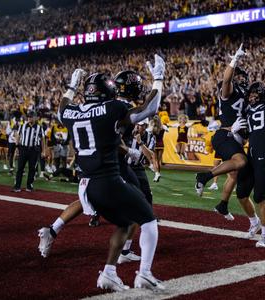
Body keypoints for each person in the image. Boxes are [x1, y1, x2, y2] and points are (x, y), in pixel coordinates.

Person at [41, 56, 166, 292]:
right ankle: (145, 274)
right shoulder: (113, 108)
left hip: (87, 184)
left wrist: (70, 87)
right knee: (148, 219)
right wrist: (158, 78)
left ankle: (108, 273)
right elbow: (149, 108)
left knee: (124, 222)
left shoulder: (72, 111)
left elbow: (61, 110)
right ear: (107, 90)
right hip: (108, 181)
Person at [195, 44, 251, 221]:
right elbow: (227, 80)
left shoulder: (247, 95)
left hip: (235, 137)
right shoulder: (228, 92)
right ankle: (204, 176)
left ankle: (222, 205)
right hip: (225, 134)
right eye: (239, 76)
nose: (242, 79)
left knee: (234, 175)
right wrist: (235, 58)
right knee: (241, 162)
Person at [236, 45, 265, 247]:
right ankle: (254, 224)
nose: (251, 97)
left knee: (260, 196)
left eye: (254, 94)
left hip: (264, 155)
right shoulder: (249, 110)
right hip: (251, 154)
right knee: (242, 194)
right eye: (250, 95)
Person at [12, 111, 46, 192]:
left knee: (32, 169)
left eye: (31, 116)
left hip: (34, 150)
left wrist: (43, 151)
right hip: (23, 149)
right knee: (20, 168)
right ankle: (17, 186)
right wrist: (17, 147)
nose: (29, 118)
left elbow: (42, 140)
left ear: (35, 117)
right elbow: (18, 136)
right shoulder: (22, 126)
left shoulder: (39, 127)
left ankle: (29, 185)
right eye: (28, 117)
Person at [150, 116, 167, 182]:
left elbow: (148, 131)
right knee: (159, 160)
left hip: (155, 144)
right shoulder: (163, 127)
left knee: (155, 160)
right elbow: (167, 130)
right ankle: (158, 173)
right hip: (161, 144)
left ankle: (156, 174)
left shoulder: (152, 128)